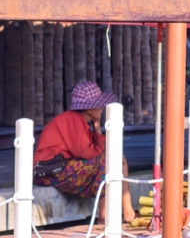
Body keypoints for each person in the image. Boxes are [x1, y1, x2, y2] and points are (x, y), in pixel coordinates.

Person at [33, 81, 136, 223]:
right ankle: (107, 216)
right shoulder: (72, 120)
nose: (102, 108)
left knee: (118, 160)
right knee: (109, 160)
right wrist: (99, 132)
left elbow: (93, 150)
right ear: (89, 109)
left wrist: (97, 127)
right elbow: (87, 153)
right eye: (99, 105)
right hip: (51, 170)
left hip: (62, 167)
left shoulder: (82, 123)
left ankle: (127, 210)